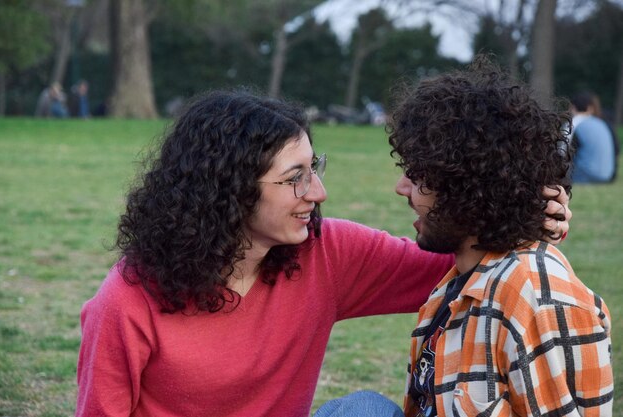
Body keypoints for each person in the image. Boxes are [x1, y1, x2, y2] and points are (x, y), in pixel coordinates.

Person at [75, 89, 570, 417]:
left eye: (315, 168)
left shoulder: (326, 252)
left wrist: (526, 221)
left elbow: (461, 265)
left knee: (368, 412)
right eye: (295, 179)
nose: (318, 193)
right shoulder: (127, 300)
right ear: (229, 192)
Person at [315, 59, 613, 417]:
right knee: (361, 409)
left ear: (468, 189)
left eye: (419, 177)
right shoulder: (459, 279)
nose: (400, 188)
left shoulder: (537, 300)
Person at [569, 91, 617, 183]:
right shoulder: (602, 123)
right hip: (607, 175)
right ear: (590, 108)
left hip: (585, 175)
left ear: (572, 107)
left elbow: (561, 152)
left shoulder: (574, 123)